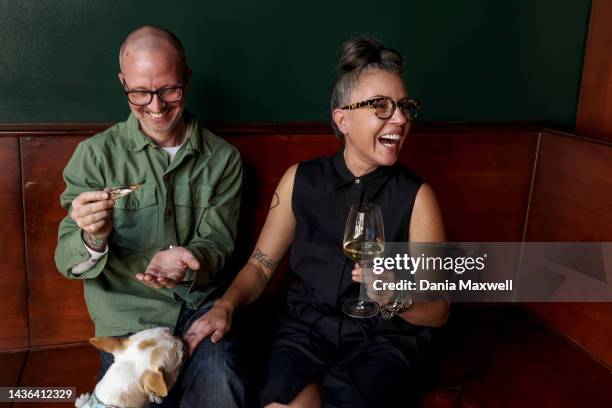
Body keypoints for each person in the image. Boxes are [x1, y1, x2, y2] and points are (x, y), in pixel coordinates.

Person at [183, 37, 449, 407]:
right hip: (304, 332)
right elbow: (260, 268)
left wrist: (395, 298)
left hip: (384, 342)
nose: (400, 119)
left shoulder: (418, 197)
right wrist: (225, 306)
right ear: (342, 118)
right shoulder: (301, 180)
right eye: (381, 107)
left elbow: (438, 311)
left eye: (404, 107)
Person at [54, 26, 247, 408]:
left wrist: (188, 262)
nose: (155, 107)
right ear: (123, 83)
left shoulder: (224, 159)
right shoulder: (94, 156)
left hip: (197, 313)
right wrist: (92, 238)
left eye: (169, 91)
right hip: (126, 324)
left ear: (187, 79)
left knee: (221, 382)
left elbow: (218, 248)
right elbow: (66, 261)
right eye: (139, 93)